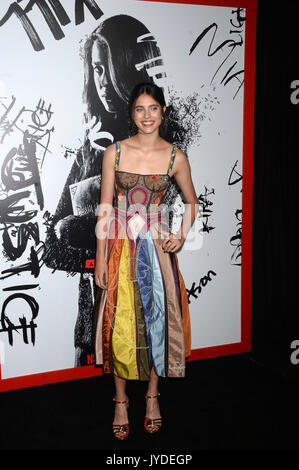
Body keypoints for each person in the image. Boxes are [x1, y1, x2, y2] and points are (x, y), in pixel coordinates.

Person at [93, 82, 199, 440]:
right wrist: (101, 259)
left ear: (163, 111)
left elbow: (191, 203)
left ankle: (153, 396)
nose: (147, 116)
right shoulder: (115, 153)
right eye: (140, 109)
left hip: (156, 250)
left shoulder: (175, 157)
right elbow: (106, 209)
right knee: (118, 322)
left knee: (158, 319)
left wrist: (180, 235)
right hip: (120, 248)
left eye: (153, 108)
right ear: (132, 114)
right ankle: (120, 400)